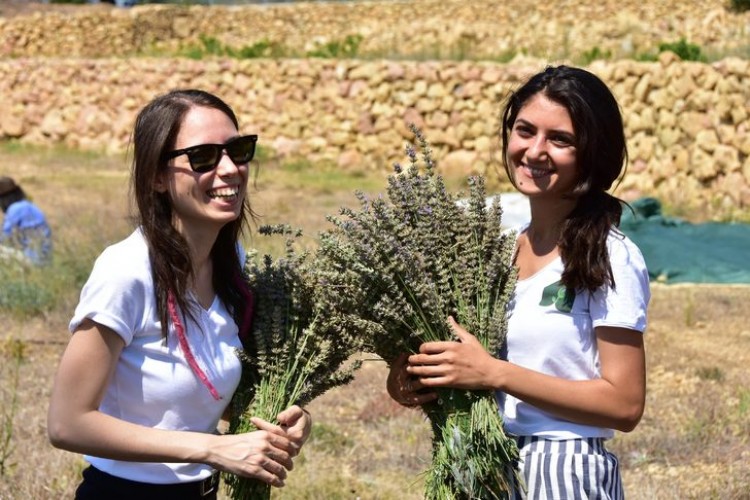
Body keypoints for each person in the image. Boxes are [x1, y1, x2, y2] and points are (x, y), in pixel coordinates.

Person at [387, 65, 650, 499]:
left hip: (564, 468)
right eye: (525, 131)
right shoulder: (493, 253)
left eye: (560, 139)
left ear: (592, 153)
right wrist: (414, 378)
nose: (535, 150)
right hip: (477, 465)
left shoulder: (610, 254)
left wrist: (493, 373)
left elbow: (624, 404)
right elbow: (458, 365)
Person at [47, 89, 311, 499]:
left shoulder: (233, 266)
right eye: (203, 157)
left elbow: (200, 393)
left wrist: (287, 420)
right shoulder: (126, 272)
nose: (229, 169)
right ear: (156, 176)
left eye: (238, 150)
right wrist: (214, 448)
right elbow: (67, 423)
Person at [0, 176, 52, 265]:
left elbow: (3, 238)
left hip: (31, 259)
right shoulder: (30, 205)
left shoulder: (14, 209)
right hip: (45, 259)